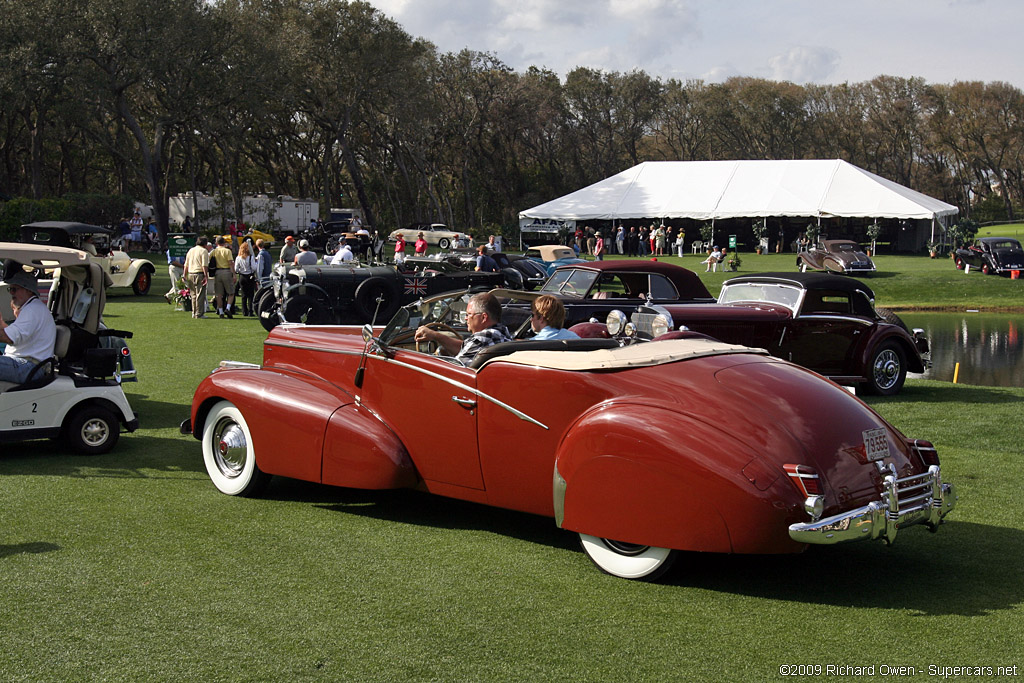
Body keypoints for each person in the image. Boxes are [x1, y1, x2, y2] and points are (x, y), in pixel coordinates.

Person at [414, 292, 512, 364]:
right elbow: (468, 349)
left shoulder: (482, 338)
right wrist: (436, 336)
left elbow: (455, 367)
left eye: (469, 314)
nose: (465, 318)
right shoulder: (502, 332)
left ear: (483, 317)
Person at [0, 271, 56, 384]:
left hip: (29, 367)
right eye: (10, 289)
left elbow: (8, 338)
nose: (11, 293)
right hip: (27, 365)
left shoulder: (32, 310)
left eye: (14, 289)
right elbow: (10, 334)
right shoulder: (32, 308)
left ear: (29, 290)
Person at [183, 236, 210, 318]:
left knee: (193, 294)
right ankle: (199, 313)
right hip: (199, 273)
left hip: (190, 273)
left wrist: (184, 275)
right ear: (205, 244)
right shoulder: (204, 251)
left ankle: (194, 312)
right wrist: (206, 275)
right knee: (200, 294)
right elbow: (204, 265)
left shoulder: (191, 250)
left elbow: (186, 264)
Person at [210, 237, 236, 318]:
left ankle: (220, 311)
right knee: (230, 292)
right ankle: (228, 308)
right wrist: (234, 274)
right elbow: (230, 263)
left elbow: (209, 260)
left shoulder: (214, 251)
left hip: (217, 272)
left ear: (216, 243)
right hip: (226, 271)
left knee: (218, 294)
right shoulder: (227, 251)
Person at [234, 241, 258, 317]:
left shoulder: (238, 258)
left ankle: (244, 311)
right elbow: (254, 268)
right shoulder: (250, 257)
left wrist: (241, 270)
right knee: (251, 295)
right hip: (250, 276)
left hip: (242, 277)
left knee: (243, 295)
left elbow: (236, 269)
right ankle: (250, 311)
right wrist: (256, 263)